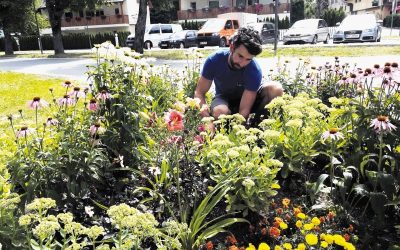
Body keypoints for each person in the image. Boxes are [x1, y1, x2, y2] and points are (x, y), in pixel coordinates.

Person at [194, 27, 283, 121]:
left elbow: (244, 110)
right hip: (223, 99)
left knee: (275, 89)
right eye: (240, 56)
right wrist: (207, 120)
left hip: (249, 102)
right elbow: (199, 92)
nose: (243, 63)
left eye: (248, 59)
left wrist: (241, 130)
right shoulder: (214, 60)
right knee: (220, 111)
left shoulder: (254, 70)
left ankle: (259, 124)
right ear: (232, 47)